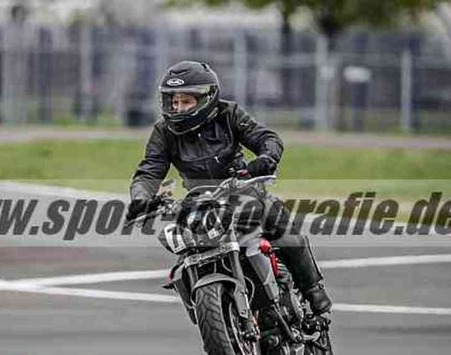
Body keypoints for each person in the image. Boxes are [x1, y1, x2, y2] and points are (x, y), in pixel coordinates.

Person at [125, 61, 331, 315]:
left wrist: (266, 159)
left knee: (277, 218)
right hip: (199, 202)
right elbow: (149, 170)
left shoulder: (229, 114)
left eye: (185, 101)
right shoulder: (163, 132)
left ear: (206, 98)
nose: (177, 108)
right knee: (183, 254)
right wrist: (140, 198)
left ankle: (313, 289)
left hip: (242, 190)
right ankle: (211, 307)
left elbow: (266, 138)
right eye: (174, 102)